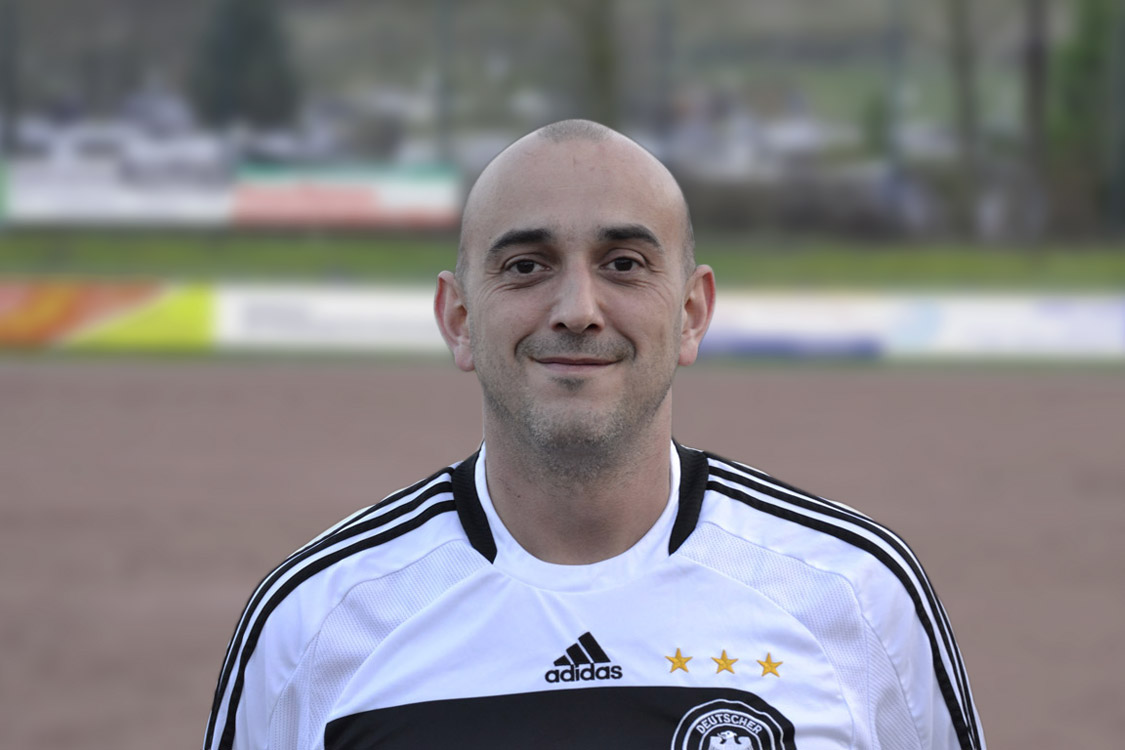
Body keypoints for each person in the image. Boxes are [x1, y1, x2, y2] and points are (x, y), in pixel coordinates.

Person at [204, 120, 986, 750]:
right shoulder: (313, 622)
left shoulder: (854, 595)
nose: (577, 309)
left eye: (623, 263)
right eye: (525, 266)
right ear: (459, 318)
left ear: (691, 313)